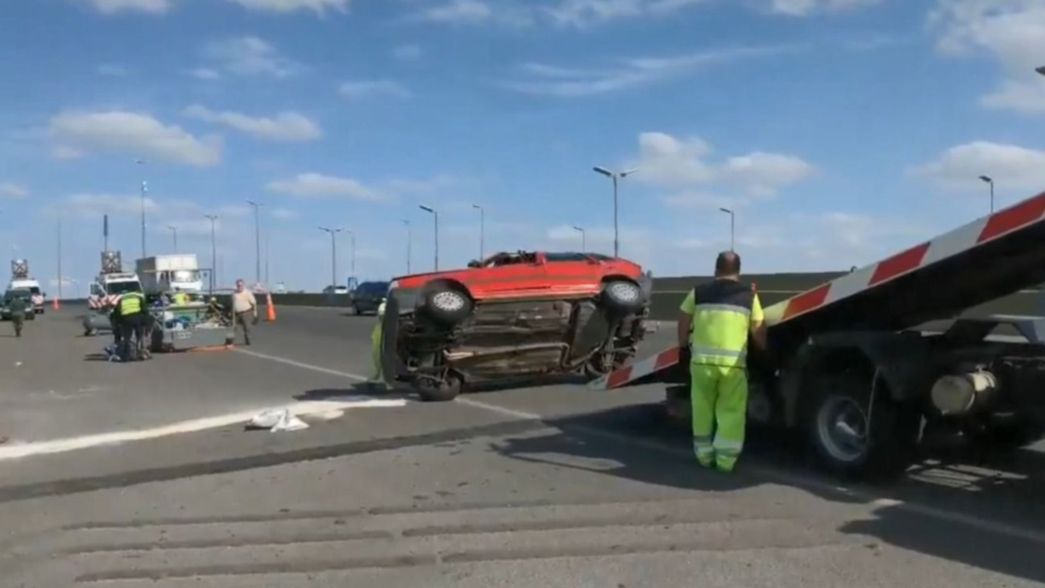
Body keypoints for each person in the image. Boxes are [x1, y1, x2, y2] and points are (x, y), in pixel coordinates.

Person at [677, 251, 767, 473]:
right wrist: (763, 350)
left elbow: (683, 317)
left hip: (701, 364)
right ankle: (726, 461)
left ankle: (704, 456)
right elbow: (758, 327)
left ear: (715, 269)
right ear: (739, 271)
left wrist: (682, 345)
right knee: (731, 411)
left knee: (702, 408)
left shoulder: (698, 292)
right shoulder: (749, 296)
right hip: (732, 367)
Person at [115, 289, 148, 361]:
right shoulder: (138, 297)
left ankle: (126, 356)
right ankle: (141, 352)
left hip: (126, 319)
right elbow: (144, 309)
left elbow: (117, 311)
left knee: (127, 337)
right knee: (139, 335)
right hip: (137, 317)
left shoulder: (122, 299)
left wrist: (119, 321)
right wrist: (145, 320)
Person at [232, 279, 258, 345]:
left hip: (246, 312)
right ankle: (230, 341)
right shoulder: (234, 294)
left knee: (247, 327)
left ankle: (248, 340)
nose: (239, 287)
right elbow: (232, 303)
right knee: (233, 327)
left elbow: (254, 303)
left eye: (241, 285)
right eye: (238, 285)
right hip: (236, 313)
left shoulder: (247, 293)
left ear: (243, 285)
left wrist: (255, 312)